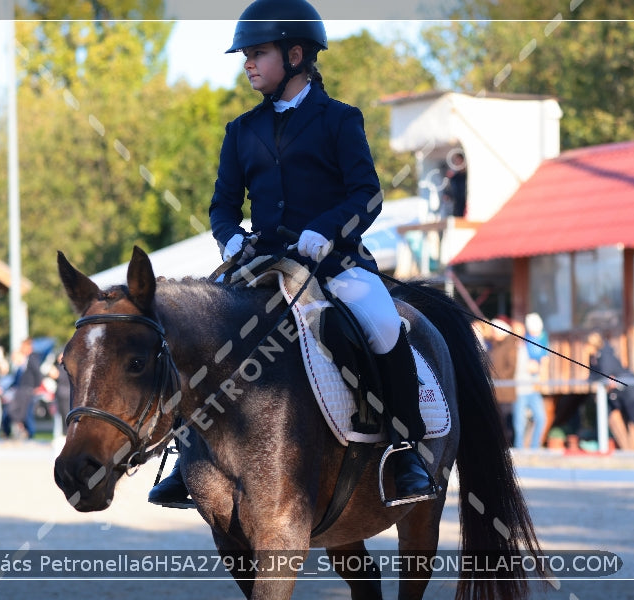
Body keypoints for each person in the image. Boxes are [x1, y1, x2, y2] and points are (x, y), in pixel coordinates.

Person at [149, 0, 438, 509]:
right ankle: (188, 452)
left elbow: (367, 195)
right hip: (261, 265)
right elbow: (222, 204)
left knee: (382, 322)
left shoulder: (340, 120)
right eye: (246, 55)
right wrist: (229, 237)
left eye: (258, 53)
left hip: (333, 263)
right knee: (200, 330)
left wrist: (326, 231)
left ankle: (404, 448)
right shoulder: (241, 130)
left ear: (296, 54)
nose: (248, 63)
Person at [586, 331, 634, 449]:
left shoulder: (606, 355)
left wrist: (596, 377)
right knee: (607, 413)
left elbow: (603, 374)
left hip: (630, 392)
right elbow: (593, 375)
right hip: (617, 394)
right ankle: (613, 446)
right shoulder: (595, 357)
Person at [513, 318, 547, 449]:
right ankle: (519, 448)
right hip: (519, 390)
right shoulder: (513, 348)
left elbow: (539, 362)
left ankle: (534, 447)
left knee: (541, 418)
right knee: (519, 423)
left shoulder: (529, 344)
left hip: (532, 388)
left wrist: (538, 368)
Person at [488, 317, 517, 446]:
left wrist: (495, 377)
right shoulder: (494, 345)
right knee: (497, 420)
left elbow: (510, 367)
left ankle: (509, 445)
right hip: (495, 390)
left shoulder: (510, 345)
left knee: (506, 420)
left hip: (505, 391)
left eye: (495, 331)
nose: (493, 334)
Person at [8, 338, 43, 440]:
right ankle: (24, 431)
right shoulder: (25, 359)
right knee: (19, 412)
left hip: (28, 389)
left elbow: (38, 373)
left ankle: (30, 433)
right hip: (22, 389)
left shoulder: (32, 358)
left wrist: (37, 386)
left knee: (27, 413)